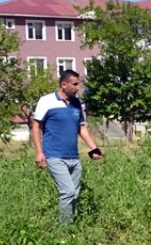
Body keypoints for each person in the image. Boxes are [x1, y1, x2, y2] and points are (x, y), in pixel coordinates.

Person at [32, 69, 102, 224]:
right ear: (64, 84)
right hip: (54, 155)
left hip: (74, 157)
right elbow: (36, 126)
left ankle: (71, 226)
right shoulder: (46, 101)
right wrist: (39, 152)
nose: (78, 87)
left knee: (74, 194)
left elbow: (82, 128)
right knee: (68, 192)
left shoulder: (77, 104)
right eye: (75, 84)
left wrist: (93, 148)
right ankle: (64, 231)